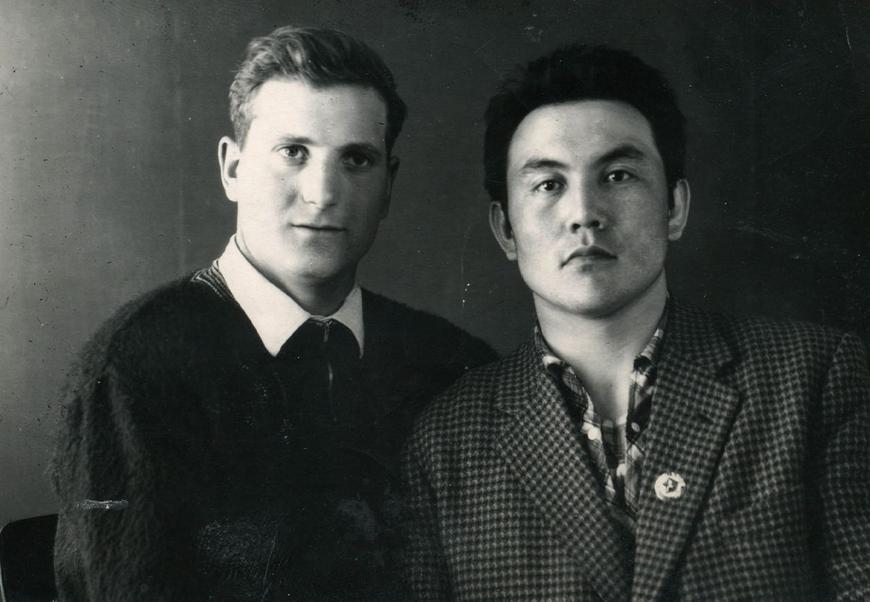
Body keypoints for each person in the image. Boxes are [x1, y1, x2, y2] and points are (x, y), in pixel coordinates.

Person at [400, 44, 870, 600]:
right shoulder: (448, 441)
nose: (584, 213)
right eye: (549, 184)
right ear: (506, 229)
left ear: (675, 207)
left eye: (618, 175)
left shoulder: (813, 380)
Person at [51, 25, 495, 600]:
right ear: (233, 169)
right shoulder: (133, 369)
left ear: (388, 186)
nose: (322, 193)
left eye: (357, 159)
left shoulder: (448, 362)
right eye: (293, 152)